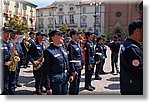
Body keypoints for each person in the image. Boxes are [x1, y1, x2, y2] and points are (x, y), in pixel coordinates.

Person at [42, 30, 73, 95]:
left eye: (62, 35)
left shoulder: (62, 48)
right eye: (59, 35)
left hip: (65, 78)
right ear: (52, 38)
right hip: (56, 80)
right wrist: (48, 87)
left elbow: (66, 62)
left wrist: (70, 74)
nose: (62, 36)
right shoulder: (48, 51)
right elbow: (46, 70)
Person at [120, 20, 143, 95]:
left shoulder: (129, 44)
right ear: (137, 31)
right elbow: (140, 71)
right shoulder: (132, 48)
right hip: (135, 89)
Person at [67, 30, 84, 95]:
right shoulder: (70, 45)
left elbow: (80, 55)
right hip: (74, 68)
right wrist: (73, 70)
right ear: (73, 35)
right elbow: (70, 59)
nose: (79, 36)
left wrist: (82, 64)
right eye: (77, 35)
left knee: (77, 83)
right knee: (73, 85)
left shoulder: (77, 44)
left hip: (78, 66)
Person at [1, 27, 16, 95]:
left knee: (12, 83)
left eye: (9, 33)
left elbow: (13, 51)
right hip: (3, 67)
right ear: (1, 33)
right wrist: (4, 63)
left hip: (12, 66)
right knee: (5, 84)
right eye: (6, 33)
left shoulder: (11, 42)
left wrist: (15, 53)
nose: (8, 34)